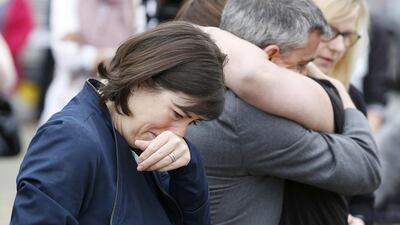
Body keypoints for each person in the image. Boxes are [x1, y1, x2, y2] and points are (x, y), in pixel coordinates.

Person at [180, 0, 380, 225]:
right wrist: (339, 91)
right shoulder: (246, 118)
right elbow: (366, 168)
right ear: (270, 56)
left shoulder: (210, 90)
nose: (306, 75)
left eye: (347, 36)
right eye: (302, 64)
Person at [10, 21, 226, 224]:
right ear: (141, 80)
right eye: (178, 114)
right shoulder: (71, 140)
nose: (179, 133)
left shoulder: (147, 142)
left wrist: (187, 172)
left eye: (193, 122)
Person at [311, 1, 375, 224]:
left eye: (347, 35)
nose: (338, 46)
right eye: (329, 31)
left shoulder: (352, 97)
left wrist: (359, 219)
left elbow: (364, 194)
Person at [39, 0, 145, 124]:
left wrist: (90, 51)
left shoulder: (134, 4)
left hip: (114, 105)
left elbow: (139, 55)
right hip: (67, 100)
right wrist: (119, 55)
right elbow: (67, 55)